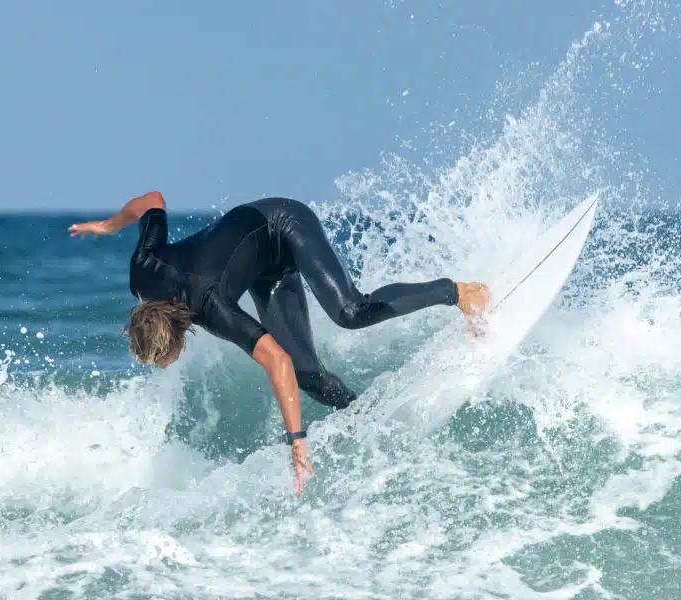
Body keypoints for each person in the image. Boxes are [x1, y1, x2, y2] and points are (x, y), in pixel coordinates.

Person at [69, 192, 489, 497]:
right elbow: (153, 201)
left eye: (164, 357)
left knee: (349, 312)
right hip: (264, 270)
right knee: (310, 378)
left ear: (175, 332)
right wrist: (111, 226)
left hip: (283, 223)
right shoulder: (141, 273)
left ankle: (460, 292)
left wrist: (297, 441)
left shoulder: (210, 305)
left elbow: (276, 360)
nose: (166, 365)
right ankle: (372, 416)